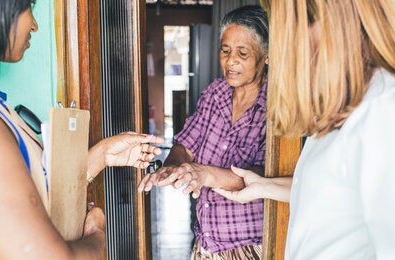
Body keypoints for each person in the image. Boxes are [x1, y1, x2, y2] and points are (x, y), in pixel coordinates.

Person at [215, 0, 395, 259]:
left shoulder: (382, 112)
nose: (284, 51)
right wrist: (264, 186)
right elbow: (335, 195)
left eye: (290, 30)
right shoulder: (343, 106)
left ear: (332, 23)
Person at [0, 0, 164, 259]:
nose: (35, 24)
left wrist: (102, 154)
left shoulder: (1, 109)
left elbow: (33, 195)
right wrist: (97, 234)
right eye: (28, 6)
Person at [139, 5, 269, 259]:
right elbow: (185, 145)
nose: (231, 61)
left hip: (250, 247)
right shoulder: (215, 93)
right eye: (225, 50)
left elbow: (264, 177)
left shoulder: (275, 108)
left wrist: (203, 174)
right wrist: (174, 166)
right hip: (207, 244)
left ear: (266, 56)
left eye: (242, 53)